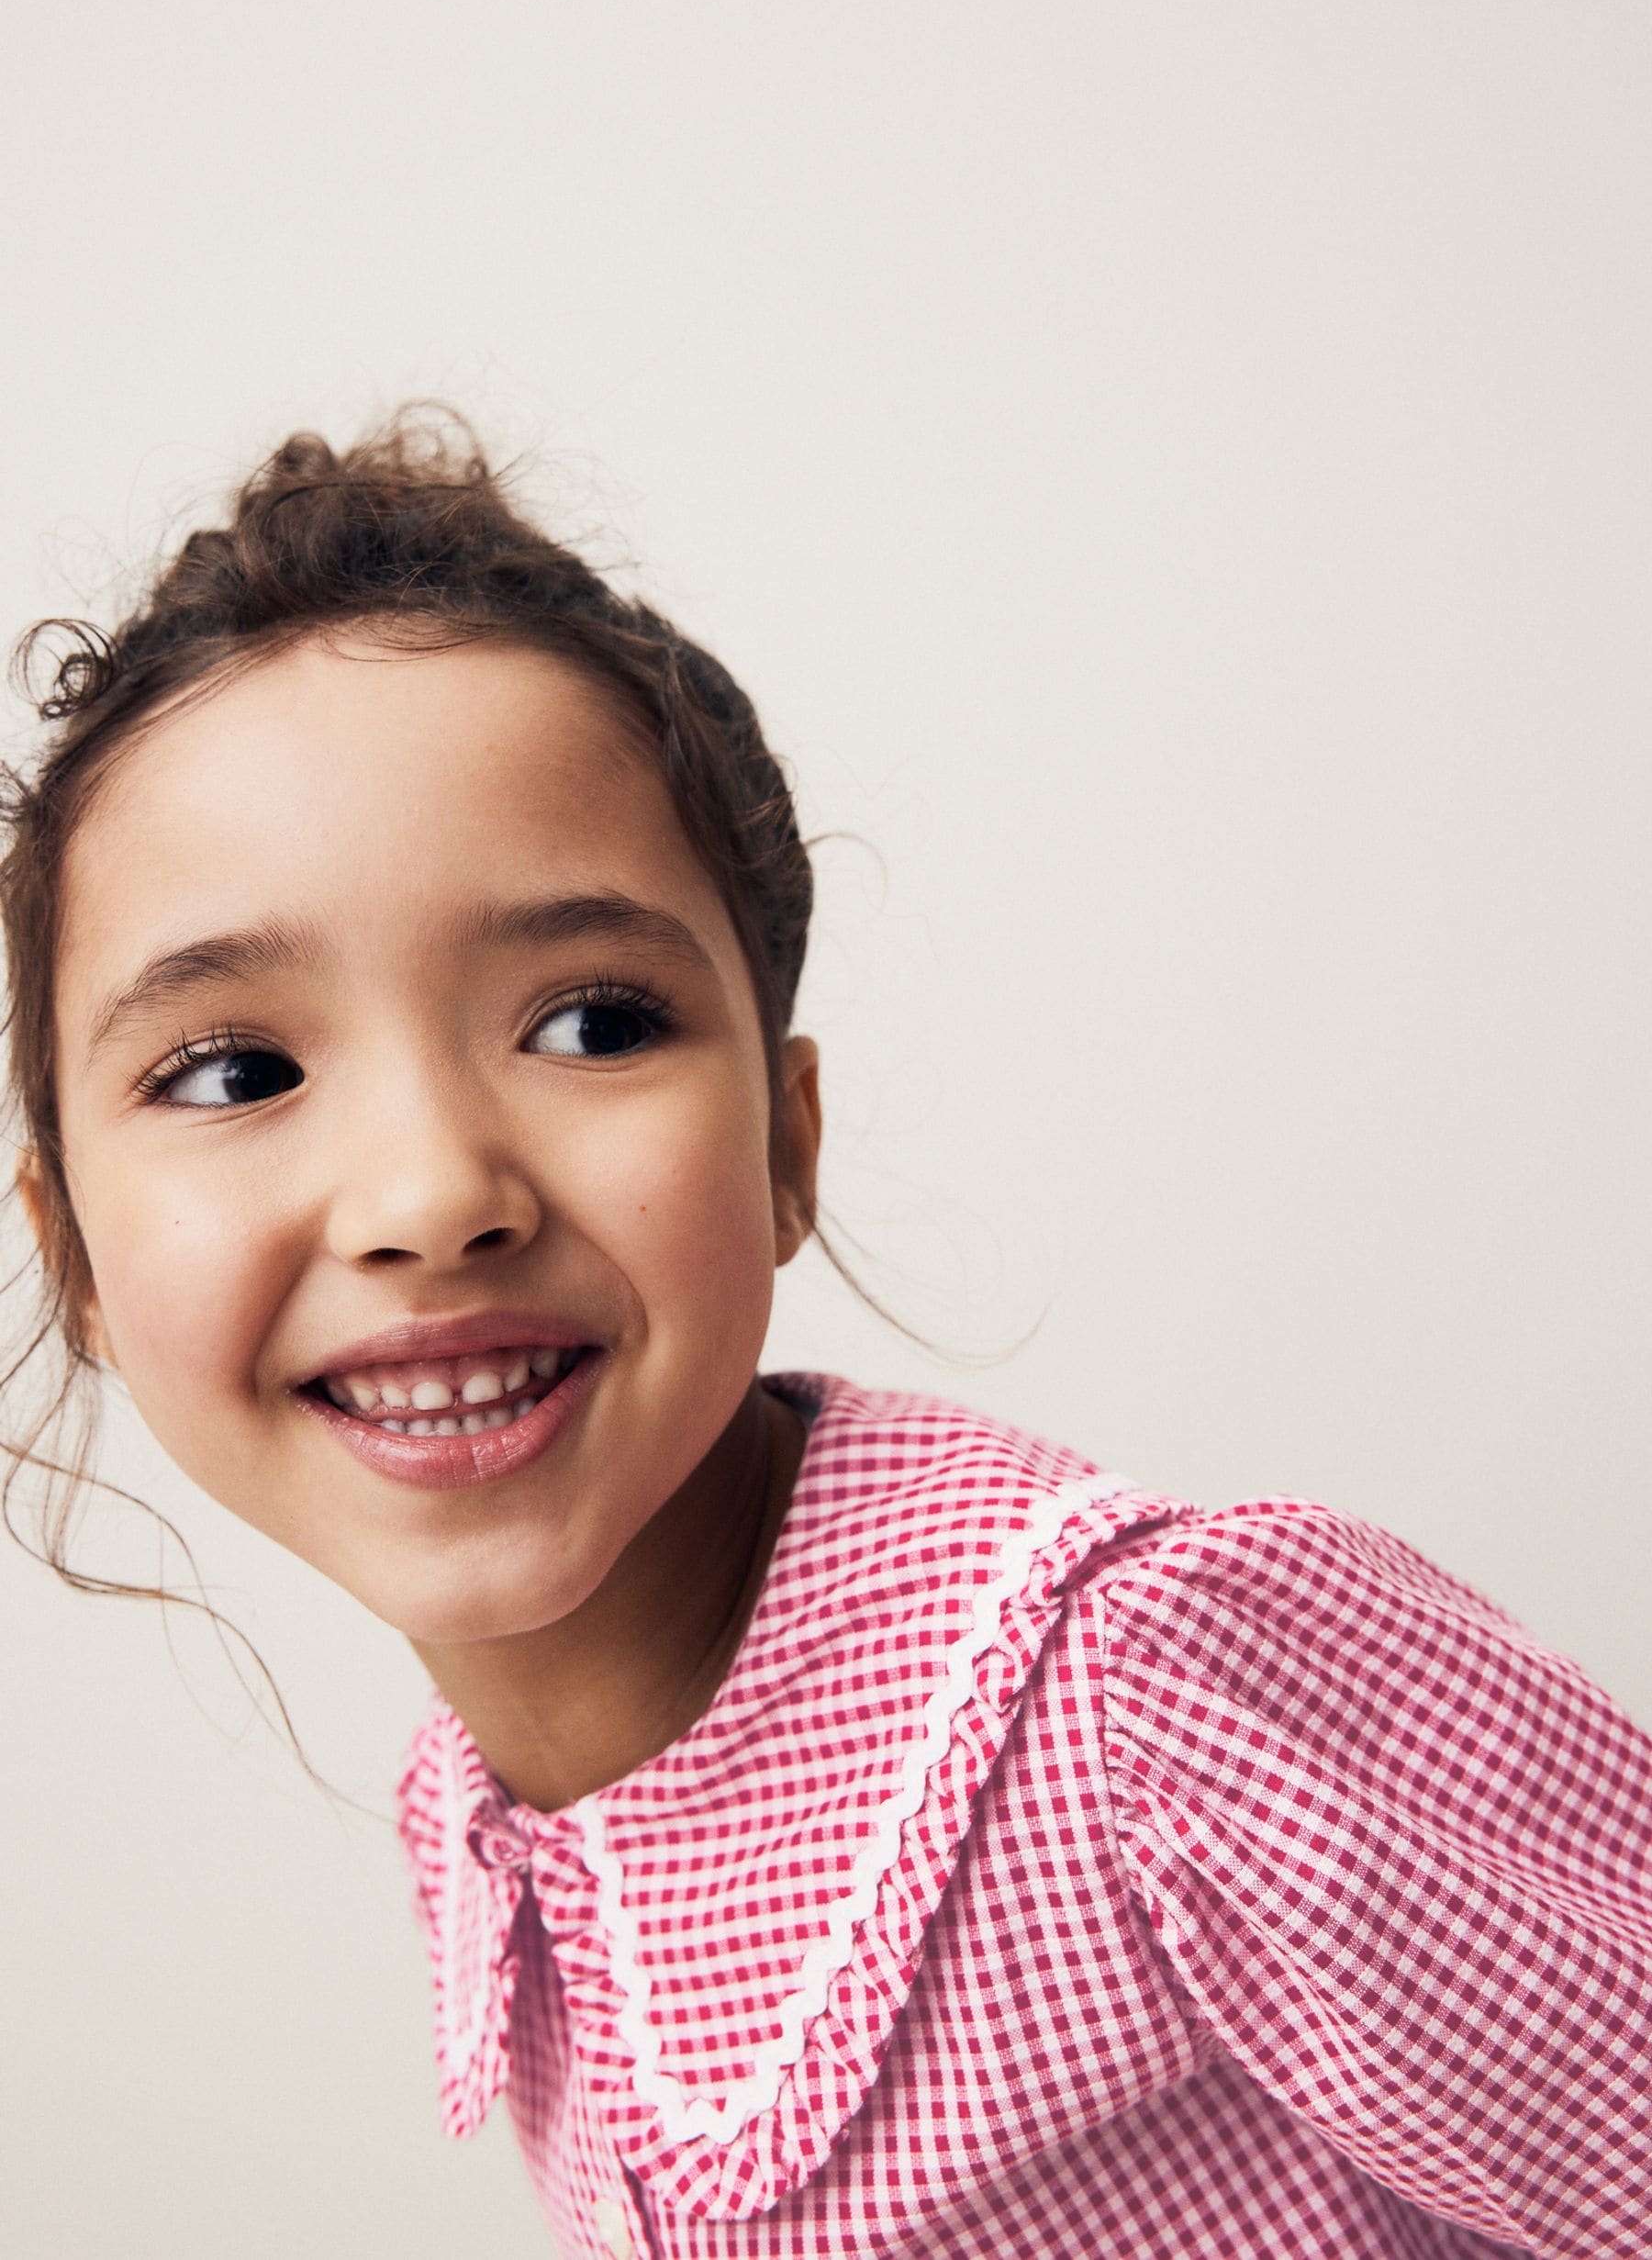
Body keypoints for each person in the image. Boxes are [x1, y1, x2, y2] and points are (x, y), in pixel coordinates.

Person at [4, 411, 1647, 2260]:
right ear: (68, 1249)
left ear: (788, 1145)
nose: (430, 1191)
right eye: (235, 1069)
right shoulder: (497, 1829)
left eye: (590, 1023)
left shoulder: (1150, 1706)